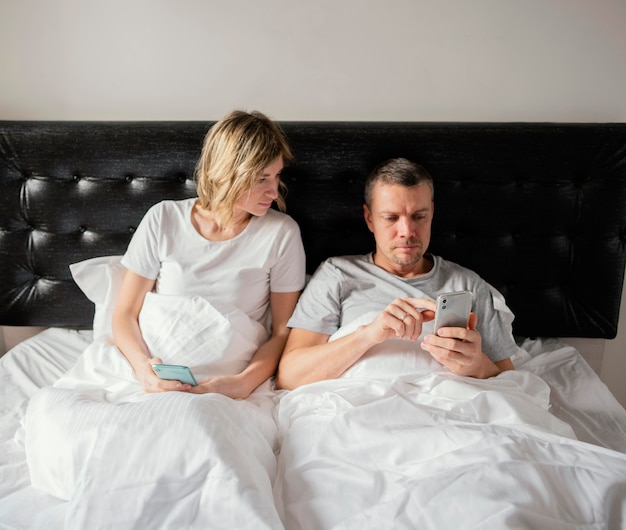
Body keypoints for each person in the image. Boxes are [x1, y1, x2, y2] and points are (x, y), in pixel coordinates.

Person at [112, 110, 306, 398]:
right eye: (262, 179)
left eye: (277, 176)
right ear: (228, 174)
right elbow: (124, 314)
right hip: (155, 371)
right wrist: (143, 370)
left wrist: (242, 382)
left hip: (229, 378)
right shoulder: (163, 218)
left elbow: (283, 332)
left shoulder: (281, 233)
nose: (274, 191)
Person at [276, 157, 515, 390]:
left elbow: (508, 379)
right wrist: (368, 336)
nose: (407, 231)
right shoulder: (337, 274)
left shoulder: (466, 284)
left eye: (419, 217)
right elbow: (289, 376)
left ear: (431, 213)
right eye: (391, 218)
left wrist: (476, 365)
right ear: (369, 218)